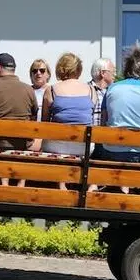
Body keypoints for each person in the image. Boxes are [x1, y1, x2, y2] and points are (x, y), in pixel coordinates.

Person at [41, 52, 98, 191]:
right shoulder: (91, 90)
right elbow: (90, 116)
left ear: (60, 69)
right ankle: (90, 184)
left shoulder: (52, 90)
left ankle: (61, 183)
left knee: (49, 138)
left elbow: (44, 122)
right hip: (84, 146)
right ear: (78, 70)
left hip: (57, 147)